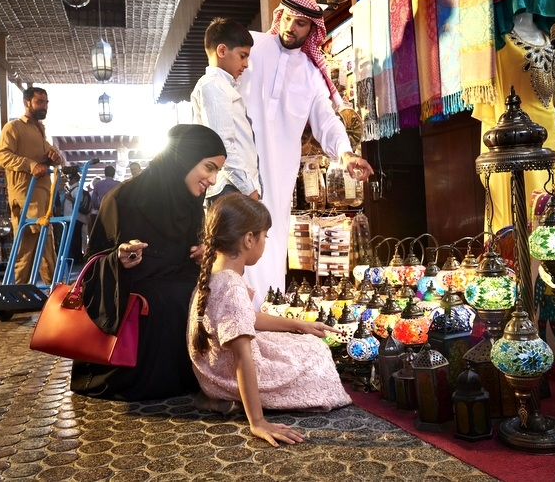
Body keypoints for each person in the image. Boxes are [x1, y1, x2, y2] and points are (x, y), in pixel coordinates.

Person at [70, 124, 227, 401]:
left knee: (215, 289)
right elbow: (93, 265)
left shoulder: (190, 202)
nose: (213, 180)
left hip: (177, 292)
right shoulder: (122, 199)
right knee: (171, 295)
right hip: (132, 319)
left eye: (217, 171)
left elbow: (189, 254)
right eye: (209, 167)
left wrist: (203, 252)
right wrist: (118, 258)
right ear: (184, 158)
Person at [238, 0, 374, 306]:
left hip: (279, 174)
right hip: (239, 166)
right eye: (287, 19)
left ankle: (266, 313)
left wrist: (346, 153)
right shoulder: (252, 47)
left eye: (300, 23)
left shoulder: (312, 75)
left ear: (312, 29)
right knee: (235, 235)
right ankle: (236, 314)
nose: (291, 27)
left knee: (269, 239)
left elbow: (327, 120)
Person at [188, 193, 351, 447]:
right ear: (249, 239)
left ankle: (223, 400)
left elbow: (247, 318)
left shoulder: (215, 274)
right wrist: (258, 422)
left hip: (211, 374)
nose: (265, 241)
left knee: (300, 341)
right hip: (226, 376)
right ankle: (236, 400)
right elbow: (242, 357)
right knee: (315, 351)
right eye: (265, 236)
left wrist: (300, 325)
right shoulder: (231, 285)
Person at [0, 86, 62, 285]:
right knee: (37, 243)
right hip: (25, 195)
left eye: (46, 102)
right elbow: (0, 155)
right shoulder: (14, 127)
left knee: (35, 246)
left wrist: (55, 157)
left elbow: (54, 156)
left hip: (42, 196)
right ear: (27, 103)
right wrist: (30, 165)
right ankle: (50, 289)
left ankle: (33, 290)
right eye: (40, 102)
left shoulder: (40, 131)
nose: (44, 106)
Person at [192, 17, 261, 203]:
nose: (246, 64)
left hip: (234, 188)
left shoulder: (222, 86)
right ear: (222, 50)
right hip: (229, 189)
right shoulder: (214, 86)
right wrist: (249, 190)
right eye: (242, 56)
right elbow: (222, 146)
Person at [63, 172, 87, 263]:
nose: (68, 180)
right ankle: (76, 256)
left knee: (75, 238)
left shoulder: (76, 188)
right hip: (74, 217)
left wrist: (68, 198)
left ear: (74, 179)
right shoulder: (74, 188)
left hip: (74, 217)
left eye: (70, 178)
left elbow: (78, 201)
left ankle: (76, 257)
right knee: (75, 237)